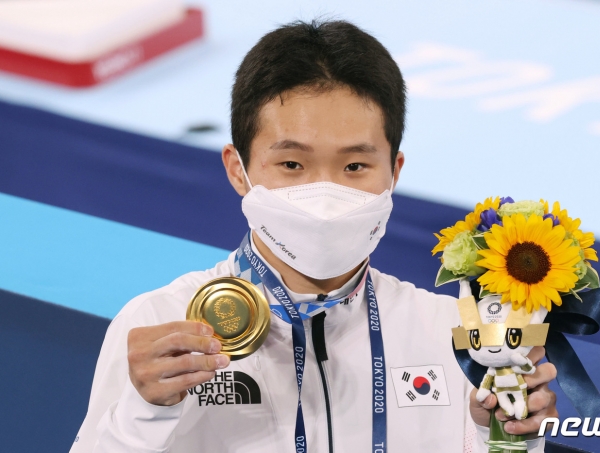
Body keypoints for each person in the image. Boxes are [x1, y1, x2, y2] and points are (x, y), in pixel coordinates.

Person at [71, 19, 558, 453]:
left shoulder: (453, 334)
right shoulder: (161, 323)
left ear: (394, 172)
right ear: (238, 171)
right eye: (291, 164)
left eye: (354, 166)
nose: (324, 196)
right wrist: (145, 412)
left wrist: (508, 439)